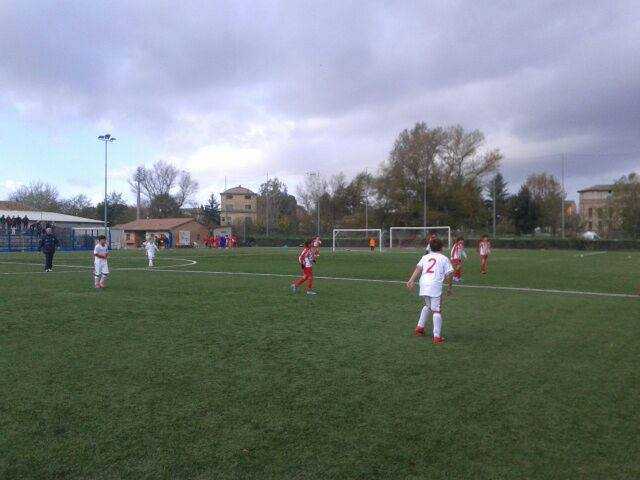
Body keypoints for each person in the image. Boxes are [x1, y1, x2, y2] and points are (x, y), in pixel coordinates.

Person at [405, 237, 453, 344]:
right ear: (442, 248)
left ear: (430, 247)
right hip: (434, 285)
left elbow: (418, 268)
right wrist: (449, 287)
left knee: (428, 306)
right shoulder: (444, 258)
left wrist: (411, 280)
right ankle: (437, 336)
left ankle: (419, 328)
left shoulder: (425, 257)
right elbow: (450, 273)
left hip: (424, 284)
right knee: (436, 310)